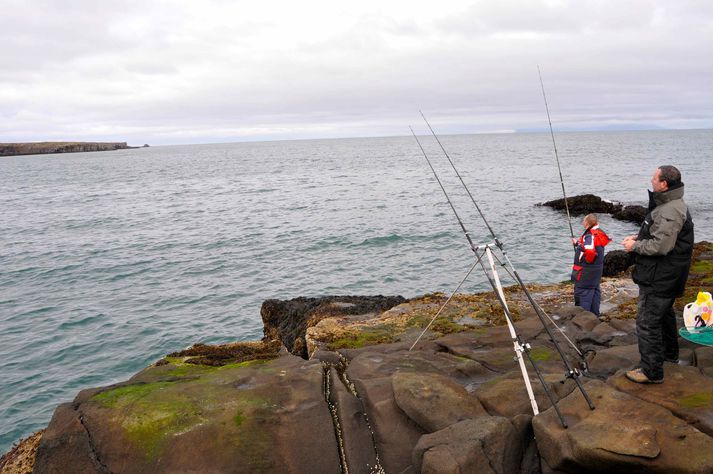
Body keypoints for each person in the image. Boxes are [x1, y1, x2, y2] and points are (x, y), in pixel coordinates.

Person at [622, 165, 694, 384]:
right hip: (666, 276)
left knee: (647, 322)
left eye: (654, 178)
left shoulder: (670, 209)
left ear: (664, 184)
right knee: (664, 317)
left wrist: (634, 246)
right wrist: (641, 235)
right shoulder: (670, 204)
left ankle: (652, 372)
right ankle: (669, 356)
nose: (651, 180)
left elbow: (661, 247)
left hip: (660, 278)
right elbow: (661, 234)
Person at [571, 213, 610, 317]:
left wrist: (587, 261)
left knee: (583, 293)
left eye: (584, 221)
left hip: (586, 273)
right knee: (594, 291)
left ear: (587, 223)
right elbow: (590, 246)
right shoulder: (599, 233)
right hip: (596, 271)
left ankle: (584, 319)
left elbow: (590, 251)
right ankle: (594, 316)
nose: (583, 223)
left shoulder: (589, 236)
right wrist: (577, 244)